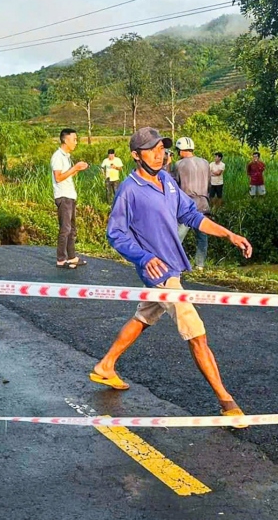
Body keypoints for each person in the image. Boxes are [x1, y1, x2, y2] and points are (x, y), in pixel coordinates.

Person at [91, 127, 253, 422]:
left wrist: (228, 234)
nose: (160, 154)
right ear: (136, 156)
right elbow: (115, 233)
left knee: (144, 317)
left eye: (162, 148)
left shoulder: (166, 180)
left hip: (172, 268)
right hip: (160, 274)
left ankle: (106, 365)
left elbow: (191, 215)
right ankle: (226, 401)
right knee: (197, 336)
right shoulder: (129, 190)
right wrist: (142, 256)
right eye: (152, 149)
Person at [51, 128, 89, 269]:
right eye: (74, 139)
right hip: (63, 196)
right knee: (65, 228)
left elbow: (66, 175)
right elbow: (58, 177)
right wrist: (75, 168)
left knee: (72, 229)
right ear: (66, 140)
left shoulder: (66, 156)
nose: (76, 142)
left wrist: (77, 169)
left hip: (70, 195)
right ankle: (61, 259)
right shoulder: (58, 156)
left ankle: (72, 257)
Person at [171, 136, 210, 268]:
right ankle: (200, 265)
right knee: (202, 236)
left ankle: (173, 263)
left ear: (181, 150)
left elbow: (174, 184)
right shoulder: (205, 163)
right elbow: (209, 184)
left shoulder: (179, 164)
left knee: (177, 237)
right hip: (204, 204)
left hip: (187, 205)